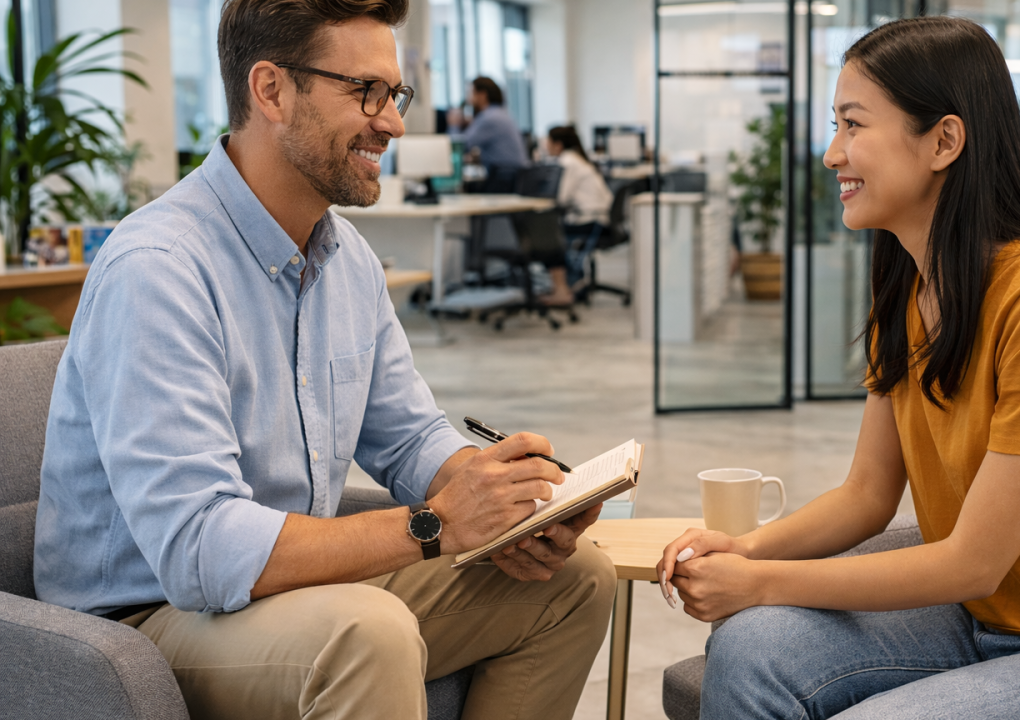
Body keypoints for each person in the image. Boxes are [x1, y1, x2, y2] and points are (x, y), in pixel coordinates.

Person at [33, 2, 615, 719]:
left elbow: (408, 436)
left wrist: (506, 497)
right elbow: (199, 549)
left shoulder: (347, 260)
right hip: (145, 618)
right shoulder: (158, 268)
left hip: (293, 595)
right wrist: (434, 524)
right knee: (367, 634)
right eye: (364, 92)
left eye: (394, 95)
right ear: (271, 91)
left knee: (576, 578)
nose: (394, 123)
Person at [657, 16, 1020, 720]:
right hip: (978, 617)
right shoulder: (910, 287)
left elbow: (974, 561)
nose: (831, 154)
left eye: (852, 125)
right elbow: (868, 495)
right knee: (751, 646)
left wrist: (758, 581)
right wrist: (744, 550)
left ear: (943, 140)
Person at [545, 125, 614, 301]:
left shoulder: (567, 162)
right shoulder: (579, 160)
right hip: (600, 219)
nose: (545, 147)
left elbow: (561, 197)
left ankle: (562, 290)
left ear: (558, 145)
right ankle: (572, 282)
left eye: (548, 142)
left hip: (589, 221)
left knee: (548, 235)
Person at [447, 76, 530, 172]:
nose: (468, 99)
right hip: (515, 176)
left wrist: (453, 124)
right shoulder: (500, 112)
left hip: (505, 176)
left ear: (482, 95)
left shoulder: (488, 118)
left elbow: (460, 146)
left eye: (471, 93)